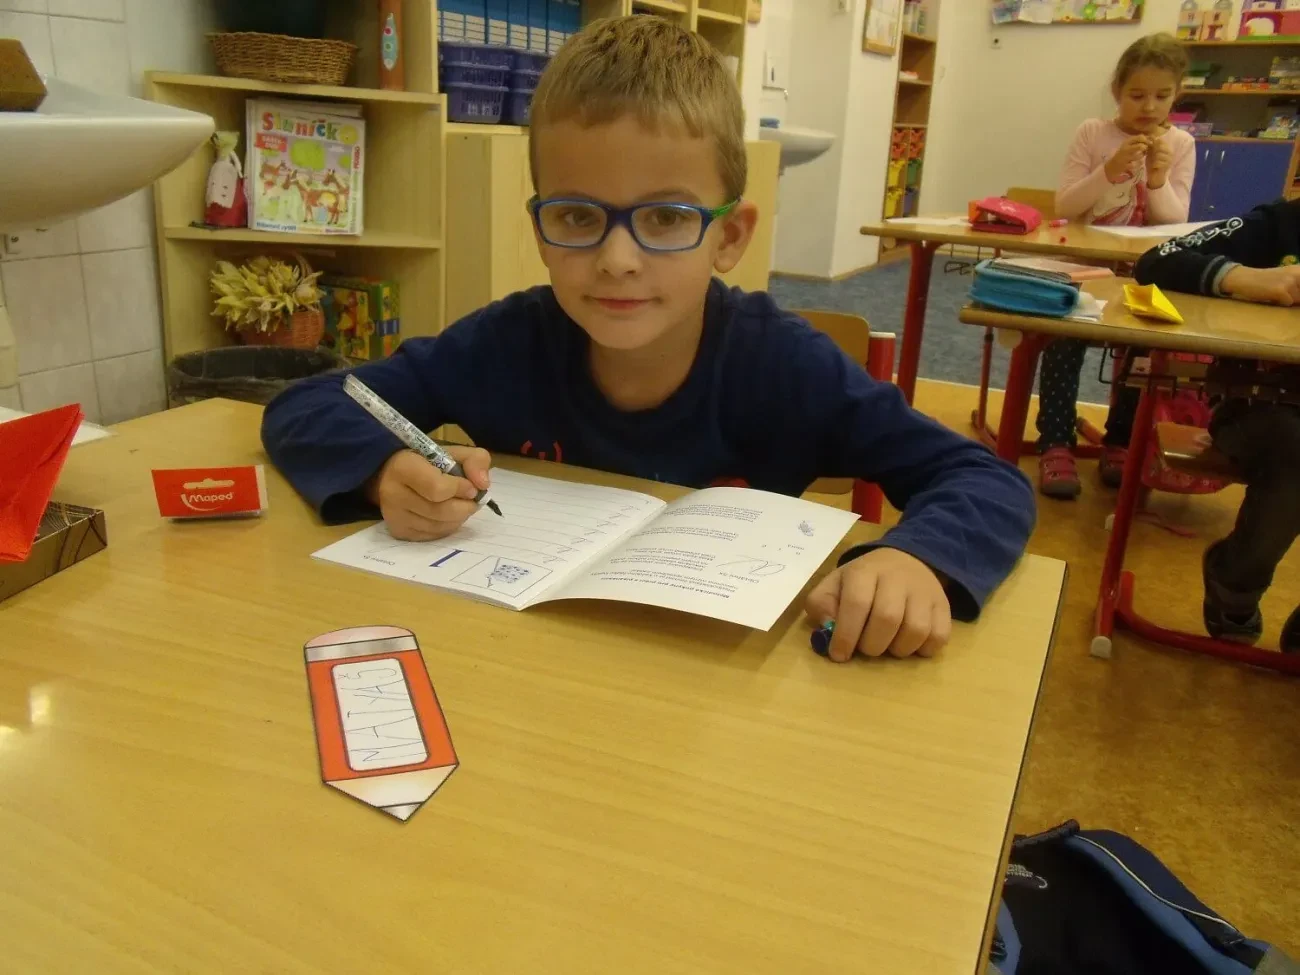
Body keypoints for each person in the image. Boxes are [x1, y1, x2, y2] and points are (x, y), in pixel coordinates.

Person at [262, 16, 1035, 664]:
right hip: (525, 665)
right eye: (577, 215)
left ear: (729, 237)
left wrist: (914, 556)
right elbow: (309, 404)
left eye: (666, 217)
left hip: (714, 690)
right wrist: (383, 471)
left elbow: (983, 479)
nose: (618, 259)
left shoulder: (781, 363)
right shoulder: (506, 341)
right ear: (540, 227)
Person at [1134, 200, 1300, 650]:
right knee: (1294, 451)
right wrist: (1244, 277)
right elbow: (1156, 260)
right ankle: (1235, 584)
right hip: (1261, 405)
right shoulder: (1279, 225)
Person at [1037, 32, 1194, 500]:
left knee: (1142, 353)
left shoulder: (1181, 143)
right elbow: (1066, 206)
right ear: (1117, 92)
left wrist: (1158, 178)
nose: (1149, 107)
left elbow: (1174, 223)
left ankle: (1121, 442)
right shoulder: (1093, 133)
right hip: (1084, 269)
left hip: (1142, 273)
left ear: (1178, 94)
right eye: (1137, 95)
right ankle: (1055, 442)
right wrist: (1108, 171)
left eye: (1162, 96)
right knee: (1064, 341)